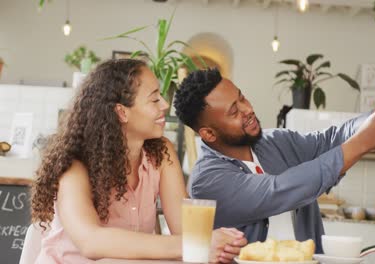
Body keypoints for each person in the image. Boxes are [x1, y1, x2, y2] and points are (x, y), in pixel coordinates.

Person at [30, 59, 247, 263]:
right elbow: (91, 241)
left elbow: (185, 232)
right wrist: (194, 245)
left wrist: (218, 245)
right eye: (154, 99)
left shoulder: (161, 154)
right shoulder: (74, 165)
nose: (164, 104)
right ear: (121, 112)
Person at [173, 68, 375, 253]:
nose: (247, 109)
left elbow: (331, 139)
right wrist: (363, 142)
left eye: (242, 97)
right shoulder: (206, 182)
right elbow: (280, 190)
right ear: (209, 134)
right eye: (234, 111)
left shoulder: (276, 141)